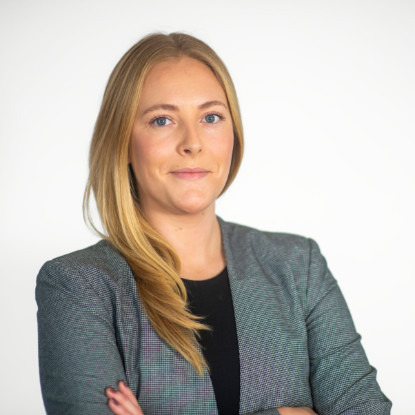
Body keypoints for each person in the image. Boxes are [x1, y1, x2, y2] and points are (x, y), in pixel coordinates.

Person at [36, 33, 392, 415]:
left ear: (233, 133)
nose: (193, 143)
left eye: (211, 117)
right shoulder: (77, 285)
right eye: (162, 120)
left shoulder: (297, 264)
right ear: (122, 140)